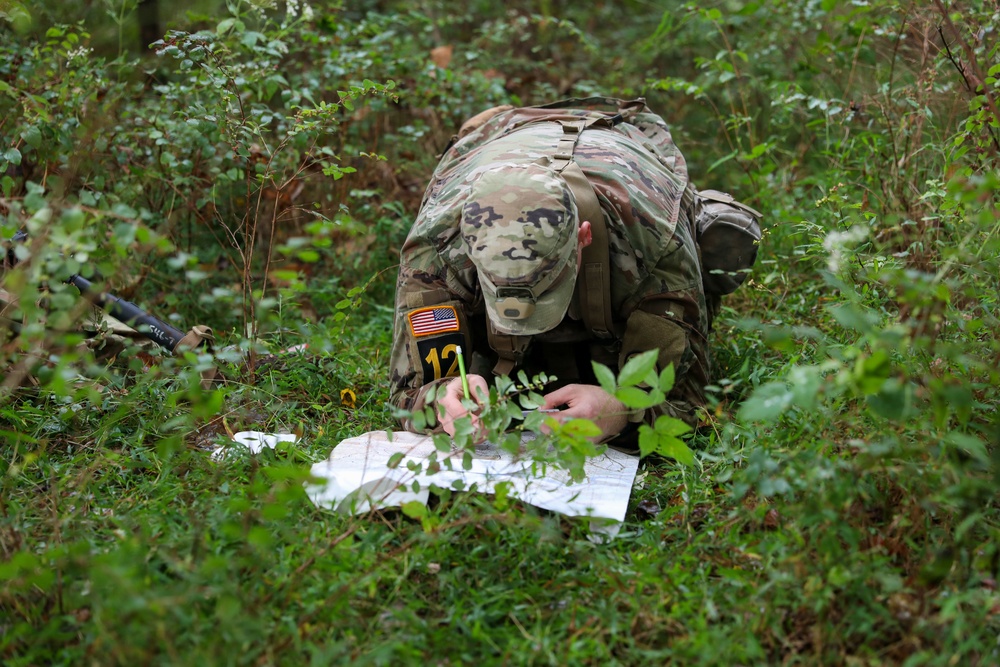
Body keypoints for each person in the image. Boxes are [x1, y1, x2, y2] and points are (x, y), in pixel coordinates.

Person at [388, 96, 761, 451]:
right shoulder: (436, 248)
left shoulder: (655, 244)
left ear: (584, 237)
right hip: (499, 139)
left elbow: (688, 403)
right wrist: (442, 396)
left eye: (546, 290)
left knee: (722, 245)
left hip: (623, 153)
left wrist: (622, 413)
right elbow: (410, 390)